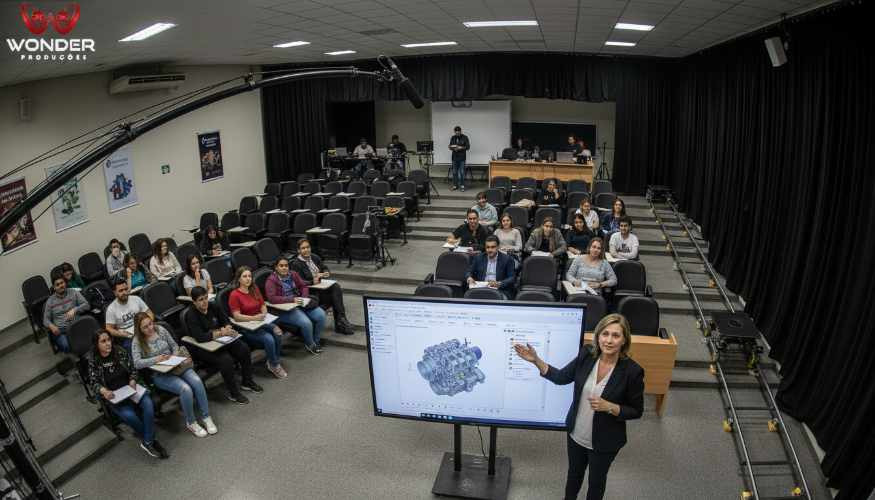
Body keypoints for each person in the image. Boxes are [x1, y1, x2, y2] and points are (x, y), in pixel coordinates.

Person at [513, 314, 644, 500]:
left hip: (605, 440)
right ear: (598, 336)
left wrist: (610, 407)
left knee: (596, 483)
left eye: (616, 335)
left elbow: (636, 411)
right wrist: (536, 360)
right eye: (605, 334)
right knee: (574, 475)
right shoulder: (586, 355)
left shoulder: (632, 371)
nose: (609, 340)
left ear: (624, 340)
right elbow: (560, 377)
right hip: (576, 433)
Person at [131, 313, 216, 438]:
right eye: (145, 327)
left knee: (197, 381)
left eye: (150, 323)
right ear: (139, 329)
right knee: (185, 389)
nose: (150, 328)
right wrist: (157, 359)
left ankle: (206, 416)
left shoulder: (161, 329)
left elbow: (174, 346)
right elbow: (137, 363)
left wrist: (174, 356)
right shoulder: (137, 341)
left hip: (176, 366)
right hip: (160, 374)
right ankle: (191, 422)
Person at [86, 329, 168, 459]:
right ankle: (151, 440)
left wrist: (133, 379)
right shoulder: (94, 360)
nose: (108, 343)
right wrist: (104, 391)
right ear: (96, 345)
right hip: (115, 395)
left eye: (109, 340)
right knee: (130, 416)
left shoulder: (119, 351)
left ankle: (148, 441)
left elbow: (133, 369)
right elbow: (93, 382)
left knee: (148, 404)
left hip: (131, 388)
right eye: (103, 341)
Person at [185, 286, 261, 405]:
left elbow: (226, 321)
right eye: (200, 300)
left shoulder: (214, 306)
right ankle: (234, 393)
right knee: (226, 360)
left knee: (243, 348)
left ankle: (247, 381)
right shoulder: (191, 315)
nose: (205, 302)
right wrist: (221, 332)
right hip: (205, 348)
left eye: (205, 298)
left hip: (222, 340)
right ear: (194, 302)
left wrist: (228, 328)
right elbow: (200, 337)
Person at [228, 266, 288, 379]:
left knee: (278, 332)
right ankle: (274, 365)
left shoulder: (254, 289)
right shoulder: (234, 294)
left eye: (249, 276)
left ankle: (273, 360)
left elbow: (263, 305)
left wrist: (264, 313)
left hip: (261, 321)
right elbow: (237, 316)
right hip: (247, 326)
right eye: (244, 276)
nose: (248, 279)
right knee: (268, 339)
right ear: (239, 279)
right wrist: (255, 318)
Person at [289, 239, 354, 335]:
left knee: (335, 288)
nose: (306, 250)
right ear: (299, 251)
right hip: (310, 293)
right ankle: (341, 323)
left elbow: (323, 267)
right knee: (335, 295)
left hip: (321, 288)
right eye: (303, 248)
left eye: (308, 247)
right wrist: (312, 282)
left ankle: (341, 320)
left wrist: (326, 272)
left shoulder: (314, 257)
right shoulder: (296, 264)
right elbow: (299, 283)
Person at [265, 256, 327, 354]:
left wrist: (304, 297)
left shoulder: (293, 274)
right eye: (281, 266)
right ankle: (310, 344)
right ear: (276, 268)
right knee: (306, 323)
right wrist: (292, 299)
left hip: (300, 303)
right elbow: (272, 298)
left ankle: (316, 341)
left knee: (321, 315)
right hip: (285, 308)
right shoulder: (271, 280)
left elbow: (303, 285)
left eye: (286, 265)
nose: (284, 268)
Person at [43, 269, 89, 353]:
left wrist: (75, 310)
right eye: (57, 285)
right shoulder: (50, 301)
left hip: (77, 325)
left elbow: (86, 305)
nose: (61, 286)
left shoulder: (73, 292)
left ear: (65, 283)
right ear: (54, 287)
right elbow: (45, 320)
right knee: (66, 346)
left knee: (90, 337)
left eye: (62, 283)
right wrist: (52, 326)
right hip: (61, 331)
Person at [105, 278, 153, 352]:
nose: (124, 292)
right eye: (121, 291)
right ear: (115, 292)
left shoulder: (136, 299)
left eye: (126, 289)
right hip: (128, 336)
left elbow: (149, 312)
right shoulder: (111, 309)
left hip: (144, 328)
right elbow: (109, 329)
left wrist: (149, 324)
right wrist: (121, 334)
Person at [448, 125, 470, 191]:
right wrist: (450, 147)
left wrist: (461, 147)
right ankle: (455, 185)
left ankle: (462, 186)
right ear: (454, 132)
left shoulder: (465, 137)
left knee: (462, 172)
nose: (457, 133)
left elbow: (468, 147)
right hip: (454, 157)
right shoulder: (453, 137)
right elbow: (450, 145)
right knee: (454, 172)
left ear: (460, 131)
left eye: (458, 132)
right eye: (456, 132)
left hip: (462, 158)